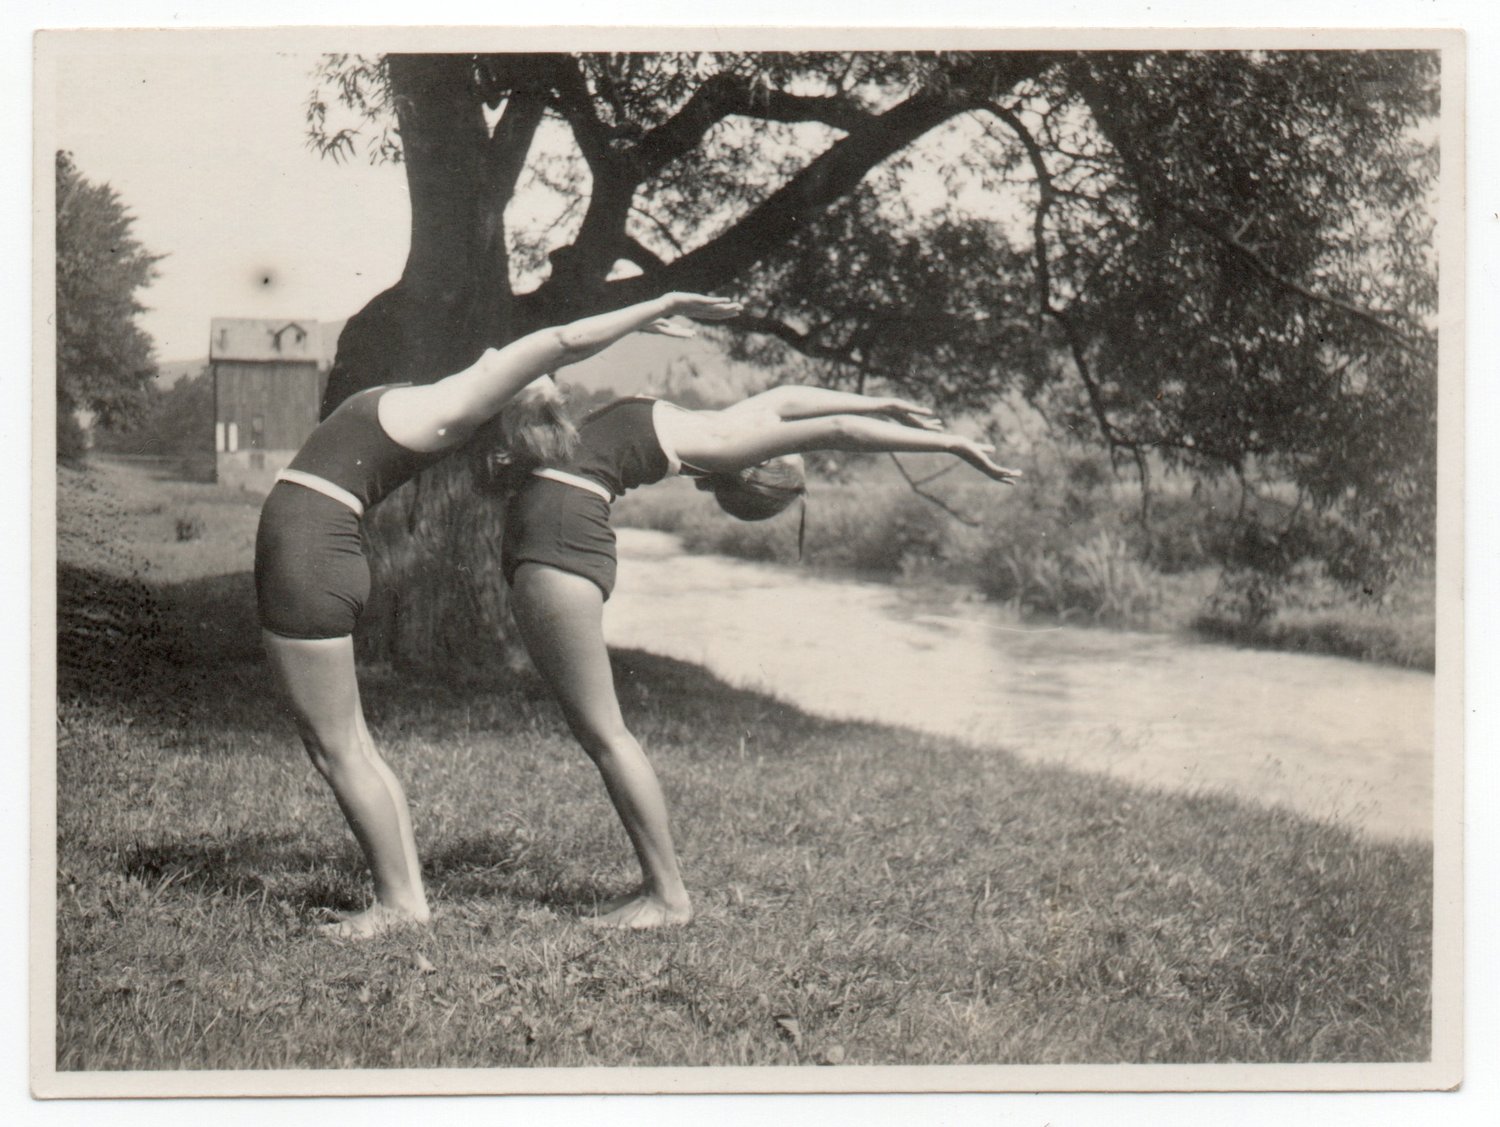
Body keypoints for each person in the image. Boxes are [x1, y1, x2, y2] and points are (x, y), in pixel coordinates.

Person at [254, 291, 742, 940]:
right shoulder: (445, 401)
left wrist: (656, 303)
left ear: (503, 398)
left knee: (337, 746)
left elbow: (564, 338)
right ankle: (403, 898)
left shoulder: (459, 403)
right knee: (347, 744)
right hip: (314, 547)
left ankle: (400, 903)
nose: (506, 355)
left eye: (521, 371)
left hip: (308, 550)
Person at [499, 380, 1021, 929]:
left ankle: (668, 897)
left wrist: (949, 445)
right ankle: (660, 890)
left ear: (760, 463)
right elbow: (788, 398)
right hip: (553, 530)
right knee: (600, 732)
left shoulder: (720, 441)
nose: (781, 436)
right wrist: (875, 401)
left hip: (562, 537)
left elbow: (835, 432)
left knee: (605, 733)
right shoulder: (712, 426)